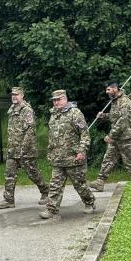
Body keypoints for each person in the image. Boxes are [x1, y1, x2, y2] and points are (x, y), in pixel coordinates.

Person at [40, 89, 95, 219]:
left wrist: (82, 151)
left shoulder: (75, 113)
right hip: (58, 158)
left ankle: (89, 202)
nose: (56, 102)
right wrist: (50, 152)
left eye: (58, 100)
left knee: (80, 185)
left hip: (73, 158)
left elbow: (85, 134)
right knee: (55, 185)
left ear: (65, 99)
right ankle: (51, 209)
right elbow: (52, 137)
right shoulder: (54, 114)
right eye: (54, 100)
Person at [0, 86, 48, 209]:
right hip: (13, 150)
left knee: (33, 173)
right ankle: (9, 200)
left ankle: (46, 192)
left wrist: (23, 149)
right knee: (9, 174)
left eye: (17, 94)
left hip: (25, 151)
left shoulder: (27, 110)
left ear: (22, 96)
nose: (14, 97)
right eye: (12, 95)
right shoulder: (12, 109)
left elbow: (30, 131)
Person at [89, 79, 131, 191]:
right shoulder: (115, 100)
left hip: (125, 137)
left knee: (130, 162)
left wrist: (111, 135)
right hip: (116, 137)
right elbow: (115, 116)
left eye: (108, 89)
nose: (106, 92)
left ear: (115, 88)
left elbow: (123, 121)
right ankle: (100, 182)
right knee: (108, 159)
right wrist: (104, 116)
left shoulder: (125, 101)